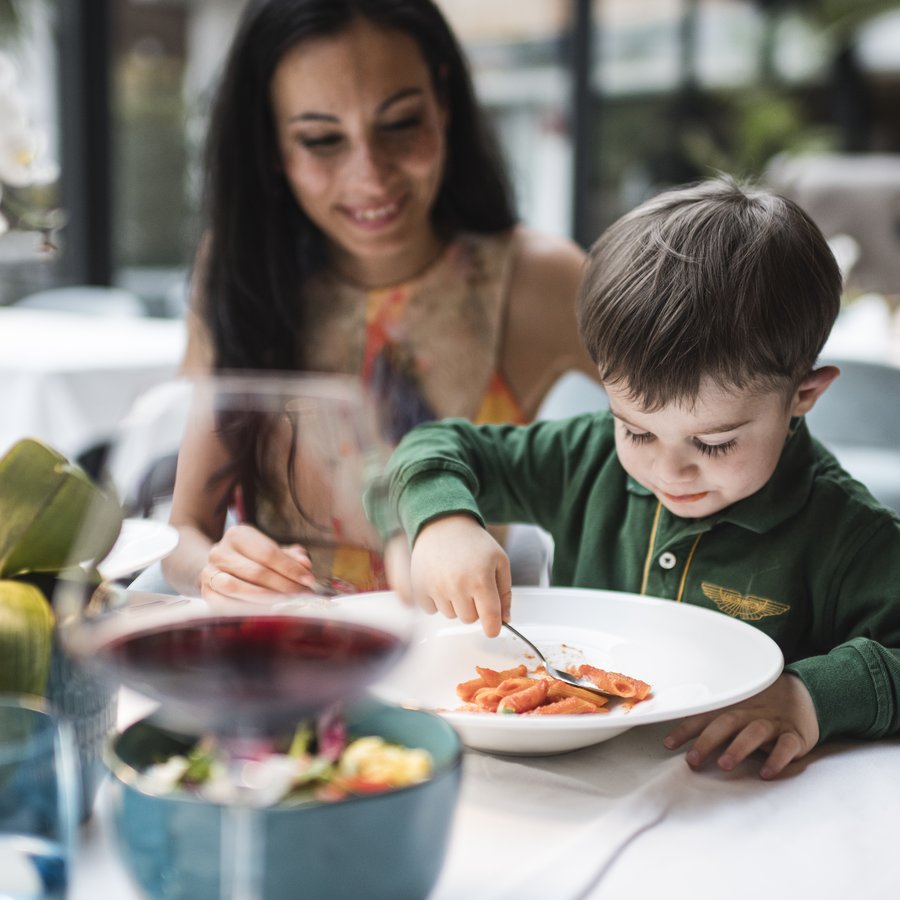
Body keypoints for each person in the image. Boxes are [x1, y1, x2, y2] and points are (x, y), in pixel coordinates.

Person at [377, 176, 900, 780]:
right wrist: (443, 519)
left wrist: (809, 699)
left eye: (714, 441)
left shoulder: (845, 533)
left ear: (803, 396)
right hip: (570, 779)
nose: (668, 469)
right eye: (638, 430)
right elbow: (436, 444)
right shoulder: (587, 457)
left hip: (739, 804)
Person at [162, 0, 597, 600]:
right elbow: (184, 531)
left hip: (462, 674)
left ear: (443, 101)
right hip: (281, 661)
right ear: (270, 143)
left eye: (399, 124)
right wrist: (218, 569)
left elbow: (715, 415)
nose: (370, 176)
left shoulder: (538, 280)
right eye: (321, 140)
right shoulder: (243, 271)